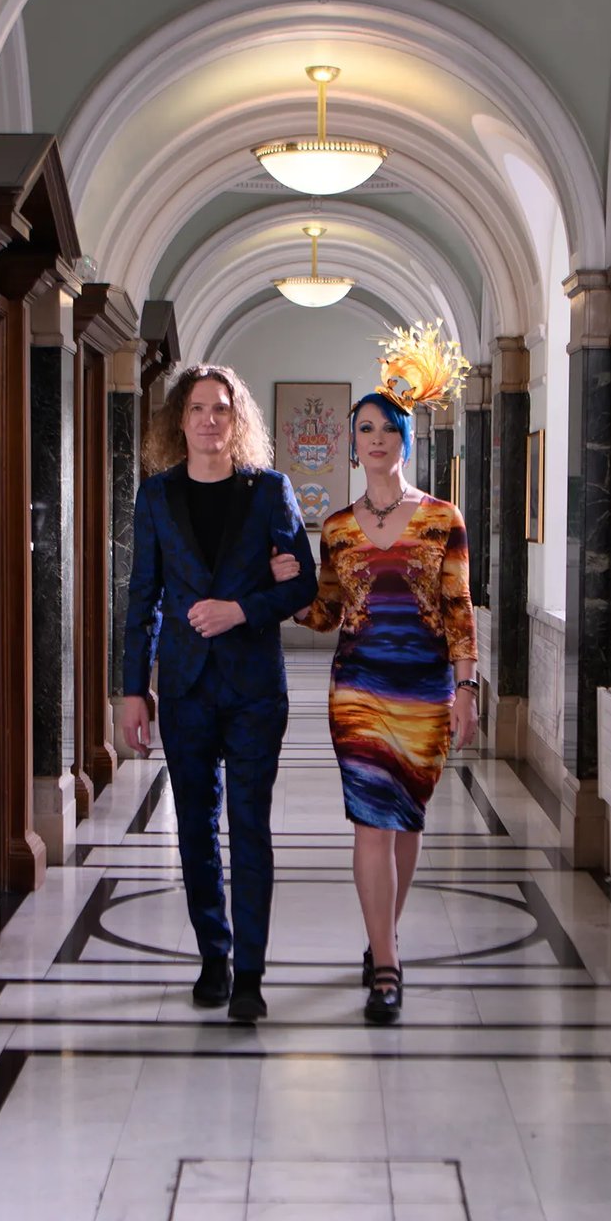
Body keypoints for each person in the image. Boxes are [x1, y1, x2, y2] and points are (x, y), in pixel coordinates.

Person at [120, 364, 318, 1022]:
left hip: (256, 687)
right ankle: (213, 955)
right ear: (180, 419)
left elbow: (303, 586)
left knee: (250, 826)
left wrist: (241, 609)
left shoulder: (269, 492)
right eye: (199, 408)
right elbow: (141, 599)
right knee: (196, 829)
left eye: (223, 409)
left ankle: (250, 976)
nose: (210, 419)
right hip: (182, 687)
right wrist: (132, 690)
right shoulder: (155, 497)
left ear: (238, 421)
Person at [296, 322, 478, 1024]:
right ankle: (386, 964)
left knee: (406, 824)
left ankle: (383, 939)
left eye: (386, 427)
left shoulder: (441, 519)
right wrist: (278, 590)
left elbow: (459, 609)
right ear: (352, 443)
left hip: (426, 692)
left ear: (404, 437)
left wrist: (466, 688)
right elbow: (326, 611)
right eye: (363, 428)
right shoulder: (337, 527)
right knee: (371, 824)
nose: (375, 438)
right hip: (358, 691)